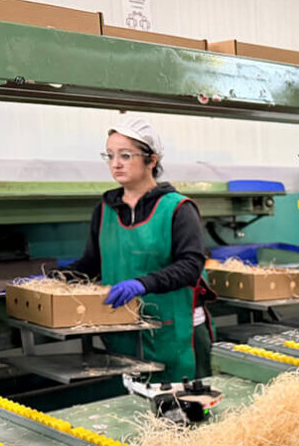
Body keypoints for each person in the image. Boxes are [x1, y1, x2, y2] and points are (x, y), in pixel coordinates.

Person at [62, 116, 214, 382]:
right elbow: (92, 264)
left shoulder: (177, 208)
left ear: (151, 160)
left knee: (186, 400)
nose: (116, 163)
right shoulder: (105, 211)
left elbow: (190, 266)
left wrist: (142, 284)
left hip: (175, 329)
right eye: (109, 155)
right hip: (124, 330)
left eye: (125, 155)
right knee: (133, 400)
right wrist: (55, 278)